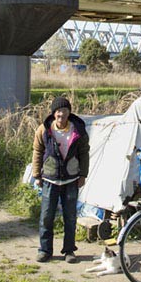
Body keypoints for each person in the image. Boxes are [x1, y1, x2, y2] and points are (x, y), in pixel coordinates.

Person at [32, 96, 89, 263]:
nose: (61, 115)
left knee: (70, 217)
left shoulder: (78, 130)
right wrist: (36, 175)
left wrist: (83, 175)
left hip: (71, 180)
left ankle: (69, 250)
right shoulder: (43, 130)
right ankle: (45, 250)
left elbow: (84, 153)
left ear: (69, 112)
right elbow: (37, 152)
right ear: (53, 113)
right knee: (46, 217)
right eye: (58, 111)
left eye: (64, 111)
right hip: (50, 180)